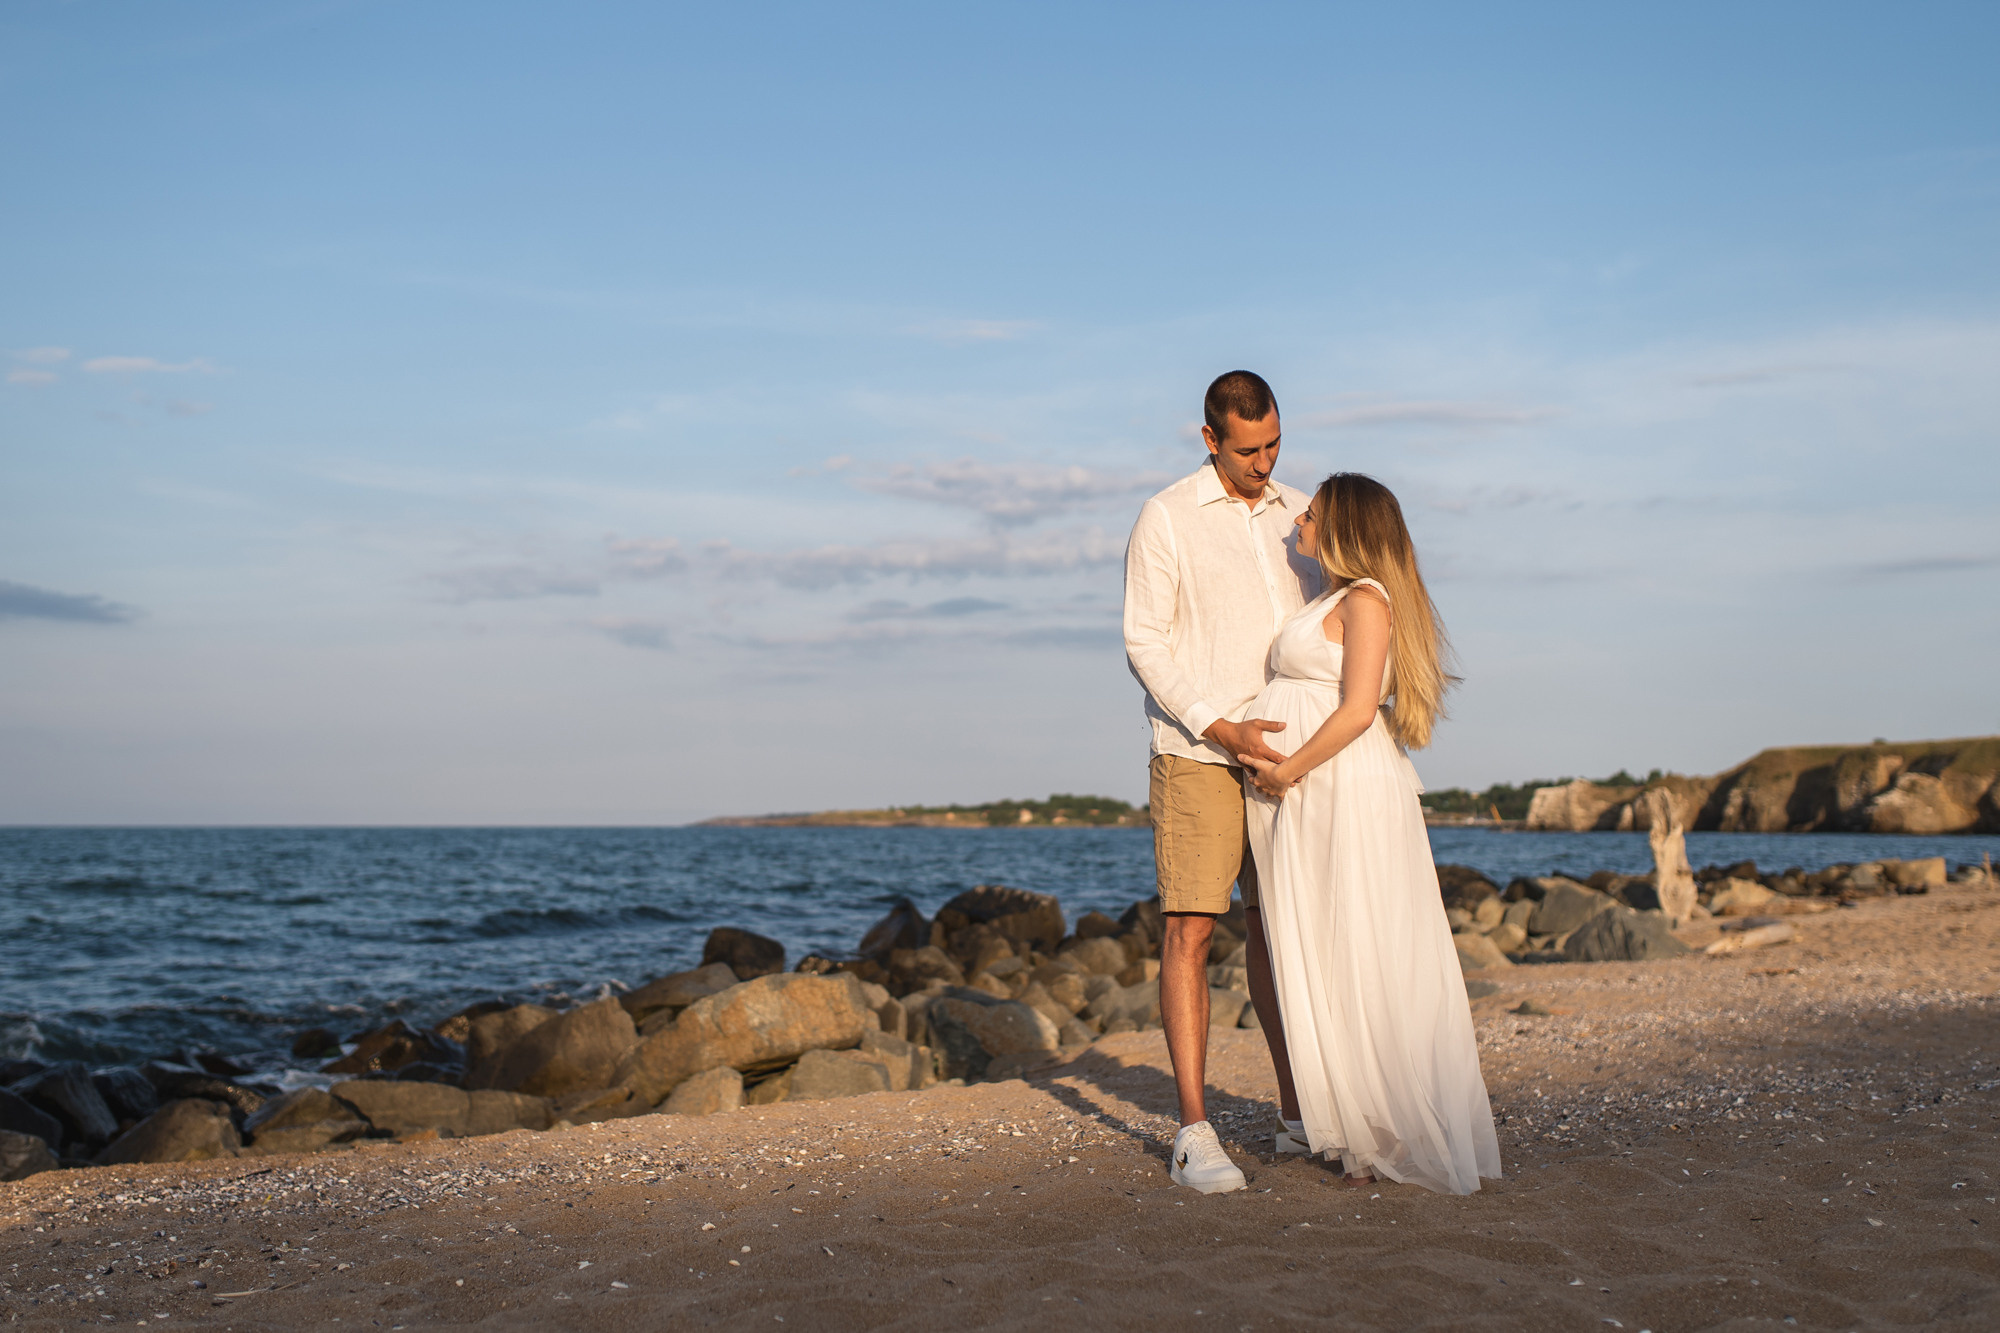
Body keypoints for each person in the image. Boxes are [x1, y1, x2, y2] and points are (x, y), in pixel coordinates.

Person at [1236, 472, 1501, 1195]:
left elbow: (1356, 710)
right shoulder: (1335, 597)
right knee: (1328, 944)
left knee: (1357, 943)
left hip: (1338, 787)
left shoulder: (1367, 600)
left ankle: (1380, 1132)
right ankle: (1353, 1123)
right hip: (1315, 789)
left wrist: (1286, 769)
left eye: (1312, 517)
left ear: (1346, 526)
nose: (1299, 527)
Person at [1122, 370, 1322, 1194]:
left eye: (1275, 443)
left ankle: (1296, 1114)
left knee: (1282, 937)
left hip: (1284, 757)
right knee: (1193, 931)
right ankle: (1194, 1132)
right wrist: (1219, 724)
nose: (1265, 462)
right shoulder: (1167, 516)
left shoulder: (1300, 510)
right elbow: (1145, 641)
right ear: (1210, 440)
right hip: (1199, 752)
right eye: (1248, 450)